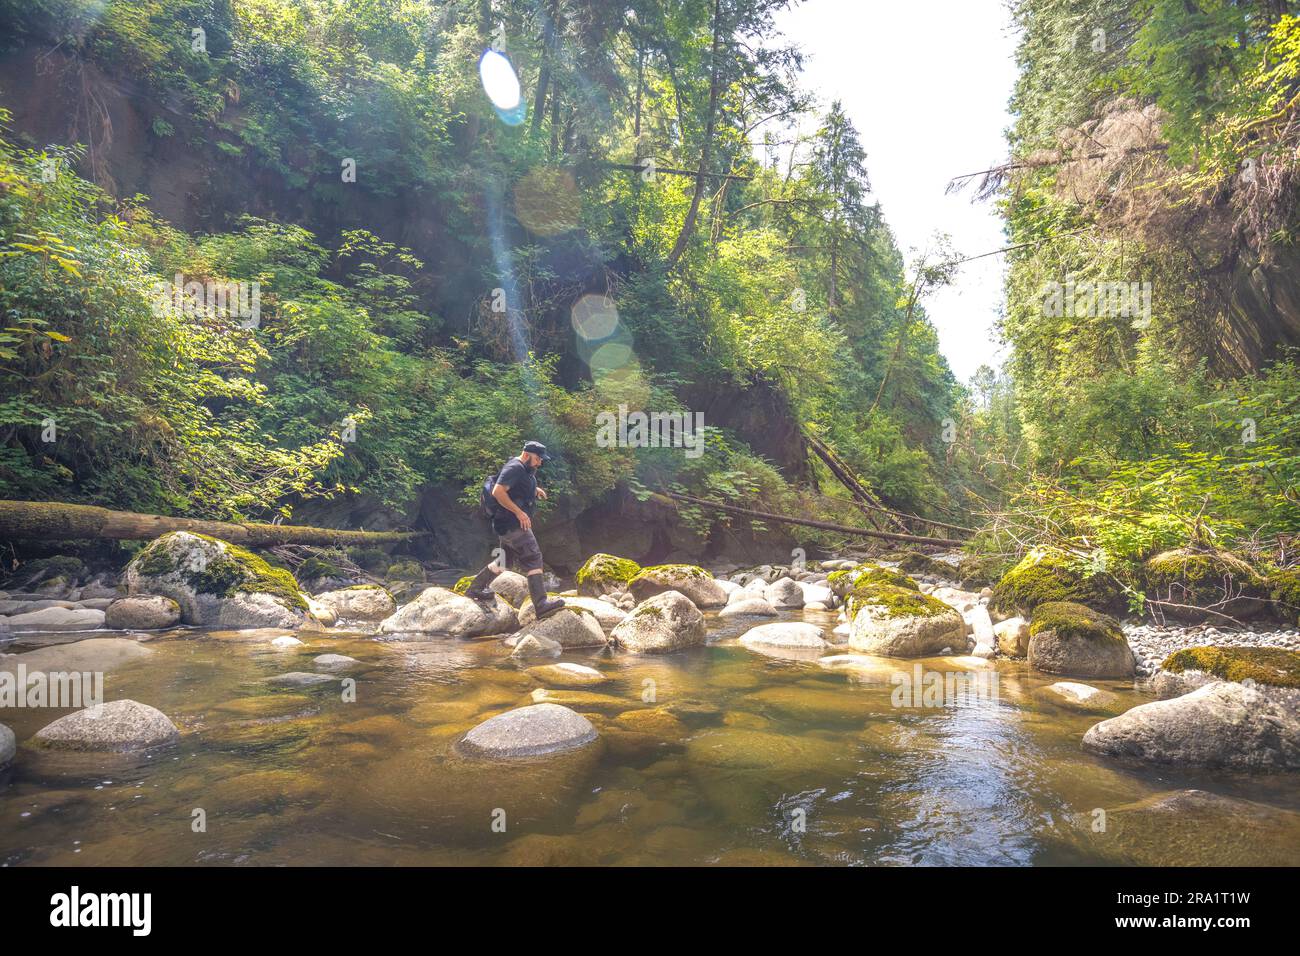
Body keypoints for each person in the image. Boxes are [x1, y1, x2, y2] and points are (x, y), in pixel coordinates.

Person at [464, 441, 566, 618]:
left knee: (504, 562)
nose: (539, 463)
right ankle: (541, 604)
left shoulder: (522, 469)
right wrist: (519, 513)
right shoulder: (515, 467)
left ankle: (475, 589)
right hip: (513, 524)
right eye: (537, 459)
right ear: (526, 455)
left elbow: (515, 488)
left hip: (505, 524)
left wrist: (534, 489)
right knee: (533, 557)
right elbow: (498, 491)